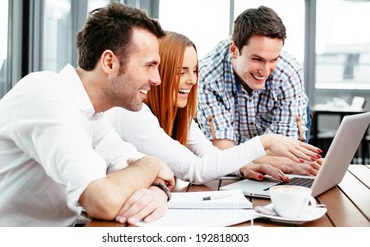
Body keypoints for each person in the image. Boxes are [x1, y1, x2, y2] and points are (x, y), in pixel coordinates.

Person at [0, 2, 175, 227]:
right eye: (149, 66)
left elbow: (149, 169)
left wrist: (158, 190)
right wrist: (150, 166)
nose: (157, 79)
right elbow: (103, 200)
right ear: (109, 62)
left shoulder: (91, 113)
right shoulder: (46, 93)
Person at [105, 31, 322, 184]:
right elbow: (196, 169)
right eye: (181, 72)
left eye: (195, 70)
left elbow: (210, 154)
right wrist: (264, 142)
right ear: (157, 72)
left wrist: (243, 168)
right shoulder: (133, 112)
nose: (192, 80)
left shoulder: (179, 113)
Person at [197, 6, 322, 176]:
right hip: (236, 140)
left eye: (273, 60)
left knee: (292, 166)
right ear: (234, 50)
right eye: (257, 59)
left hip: (261, 139)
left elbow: (286, 151)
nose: (265, 70)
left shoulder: (289, 71)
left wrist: (237, 157)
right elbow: (222, 152)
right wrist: (282, 163)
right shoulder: (208, 74)